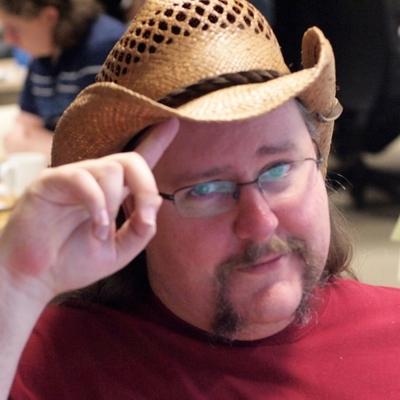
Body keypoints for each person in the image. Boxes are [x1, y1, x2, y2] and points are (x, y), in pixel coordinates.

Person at [1, 0, 400, 398]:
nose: (260, 222)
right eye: (205, 189)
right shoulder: (51, 366)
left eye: (279, 170)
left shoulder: (391, 336)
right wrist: (16, 285)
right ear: (131, 207)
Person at [0, 0, 126, 159]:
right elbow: (21, 130)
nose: (9, 39)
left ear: (49, 17)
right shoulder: (43, 50)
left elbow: (102, 152)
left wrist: (40, 144)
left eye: (13, 29)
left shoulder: (106, 49)